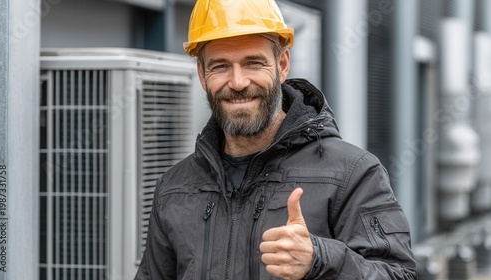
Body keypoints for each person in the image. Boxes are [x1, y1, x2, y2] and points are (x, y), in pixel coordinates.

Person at [134, 0, 417, 279]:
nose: (238, 82)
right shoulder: (173, 188)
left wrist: (320, 259)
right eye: (220, 66)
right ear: (202, 74)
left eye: (253, 63)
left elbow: (398, 275)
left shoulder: (352, 174)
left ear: (282, 65)